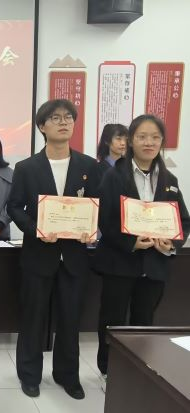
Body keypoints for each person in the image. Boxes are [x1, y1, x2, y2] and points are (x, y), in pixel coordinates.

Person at [7, 99, 98, 400]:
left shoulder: (89, 166)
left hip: (74, 257)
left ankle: (67, 375)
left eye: (68, 117)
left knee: (70, 319)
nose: (64, 122)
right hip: (38, 255)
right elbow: (14, 207)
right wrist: (36, 229)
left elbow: (98, 207)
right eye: (56, 118)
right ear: (42, 126)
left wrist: (92, 229)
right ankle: (29, 375)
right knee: (33, 318)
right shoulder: (26, 167)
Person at [94, 114, 190, 389]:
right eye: (142, 137)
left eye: (155, 137)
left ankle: (137, 369)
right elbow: (105, 219)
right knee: (112, 320)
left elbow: (183, 221)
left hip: (154, 265)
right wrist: (131, 243)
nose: (149, 142)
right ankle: (108, 369)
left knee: (144, 321)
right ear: (131, 141)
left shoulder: (170, 179)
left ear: (162, 142)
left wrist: (171, 243)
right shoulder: (114, 176)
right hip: (119, 262)